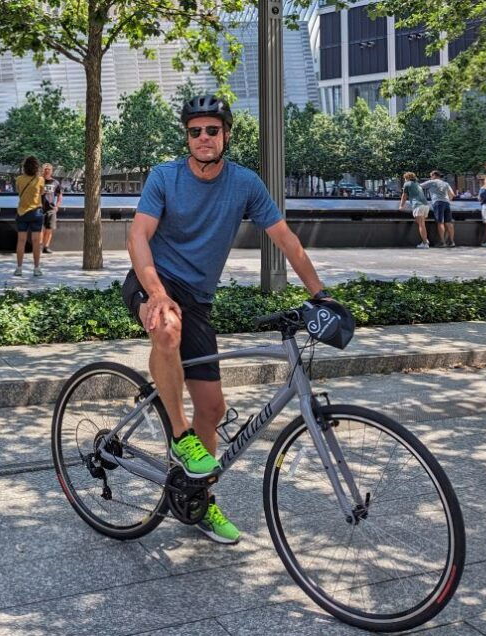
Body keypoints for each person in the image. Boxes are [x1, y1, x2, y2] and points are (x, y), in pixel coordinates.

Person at [122, 95, 331, 544]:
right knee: (167, 326)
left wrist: (322, 295)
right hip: (153, 280)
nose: (203, 138)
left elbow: (287, 241)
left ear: (226, 135)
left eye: (211, 131)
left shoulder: (245, 184)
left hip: (198, 297)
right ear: (187, 137)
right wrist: (156, 293)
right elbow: (138, 236)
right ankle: (180, 436)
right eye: (195, 131)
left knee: (214, 410)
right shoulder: (165, 177)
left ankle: (199, 504)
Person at [14, 156, 45, 276]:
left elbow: (18, 191)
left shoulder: (19, 179)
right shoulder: (40, 180)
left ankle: (19, 268)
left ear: (24, 167)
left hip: (22, 212)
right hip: (36, 212)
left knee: (21, 241)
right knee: (36, 242)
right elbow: (42, 193)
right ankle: (36, 269)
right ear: (36, 167)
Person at [420, 171, 456, 248]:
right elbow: (452, 194)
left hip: (438, 203)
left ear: (434, 175)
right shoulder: (445, 183)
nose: (430, 177)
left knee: (440, 222)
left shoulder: (432, 182)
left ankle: (442, 242)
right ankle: (452, 242)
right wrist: (448, 200)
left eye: (431, 176)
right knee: (449, 223)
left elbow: (419, 186)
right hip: (446, 203)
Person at [399, 172, 431, 248]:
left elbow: (404, 196)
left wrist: (401, 206)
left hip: (418, 205)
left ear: (407, 178)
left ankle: (425, 243)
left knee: (421, 224)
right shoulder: (417, 184)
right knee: (421, 223)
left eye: (405, 178)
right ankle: (425, 239)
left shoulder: (407, 184)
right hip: (425, 205)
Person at [40, 163, 63, 254]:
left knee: (49, 229)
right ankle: (39, 246)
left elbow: (59, 195)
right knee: (39, 229)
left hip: (51, 209)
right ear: (43, 170)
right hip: (39, 208)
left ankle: (46, 247)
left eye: (48, 170)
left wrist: (57, 206)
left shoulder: (55, 182)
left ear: (51, 171)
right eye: (45, 169)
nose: (47, 171)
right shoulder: (38, 181)